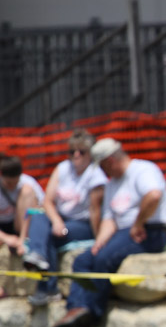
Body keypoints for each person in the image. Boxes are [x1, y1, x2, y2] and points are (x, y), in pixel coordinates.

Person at [51, 138, 166, 327]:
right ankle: (76, 309)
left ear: (110, 161)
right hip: (124, 232)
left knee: (103, 260)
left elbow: (153, 196)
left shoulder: (143, 170)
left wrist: (139, 223)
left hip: (150, 231)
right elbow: (109, 219)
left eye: (103, 167)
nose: (103, 172)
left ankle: (93, 313)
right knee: (83, 260)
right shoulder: (113, 184)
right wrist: (98, 242)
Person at [21, 130, 108, 307]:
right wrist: (57, 221)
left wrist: (99, 239)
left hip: (84, 224)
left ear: (90, 154)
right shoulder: (62, 168)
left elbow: (94, 211)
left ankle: (47, 288)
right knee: (37, 214)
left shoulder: (96, 175)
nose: (76, 155)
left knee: (52, 237)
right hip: (62, 219)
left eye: (81, 151)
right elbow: (47, 201)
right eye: (72, 151)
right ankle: (37, 255)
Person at [0, 154, 44, 299]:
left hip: (21, 224)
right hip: (3, 227)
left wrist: (21, 239)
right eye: (8, 184)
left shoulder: (27, 183)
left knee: (27, 192)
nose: (12, 187)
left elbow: (38, 210)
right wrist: (6, 238)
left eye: (15, 183)